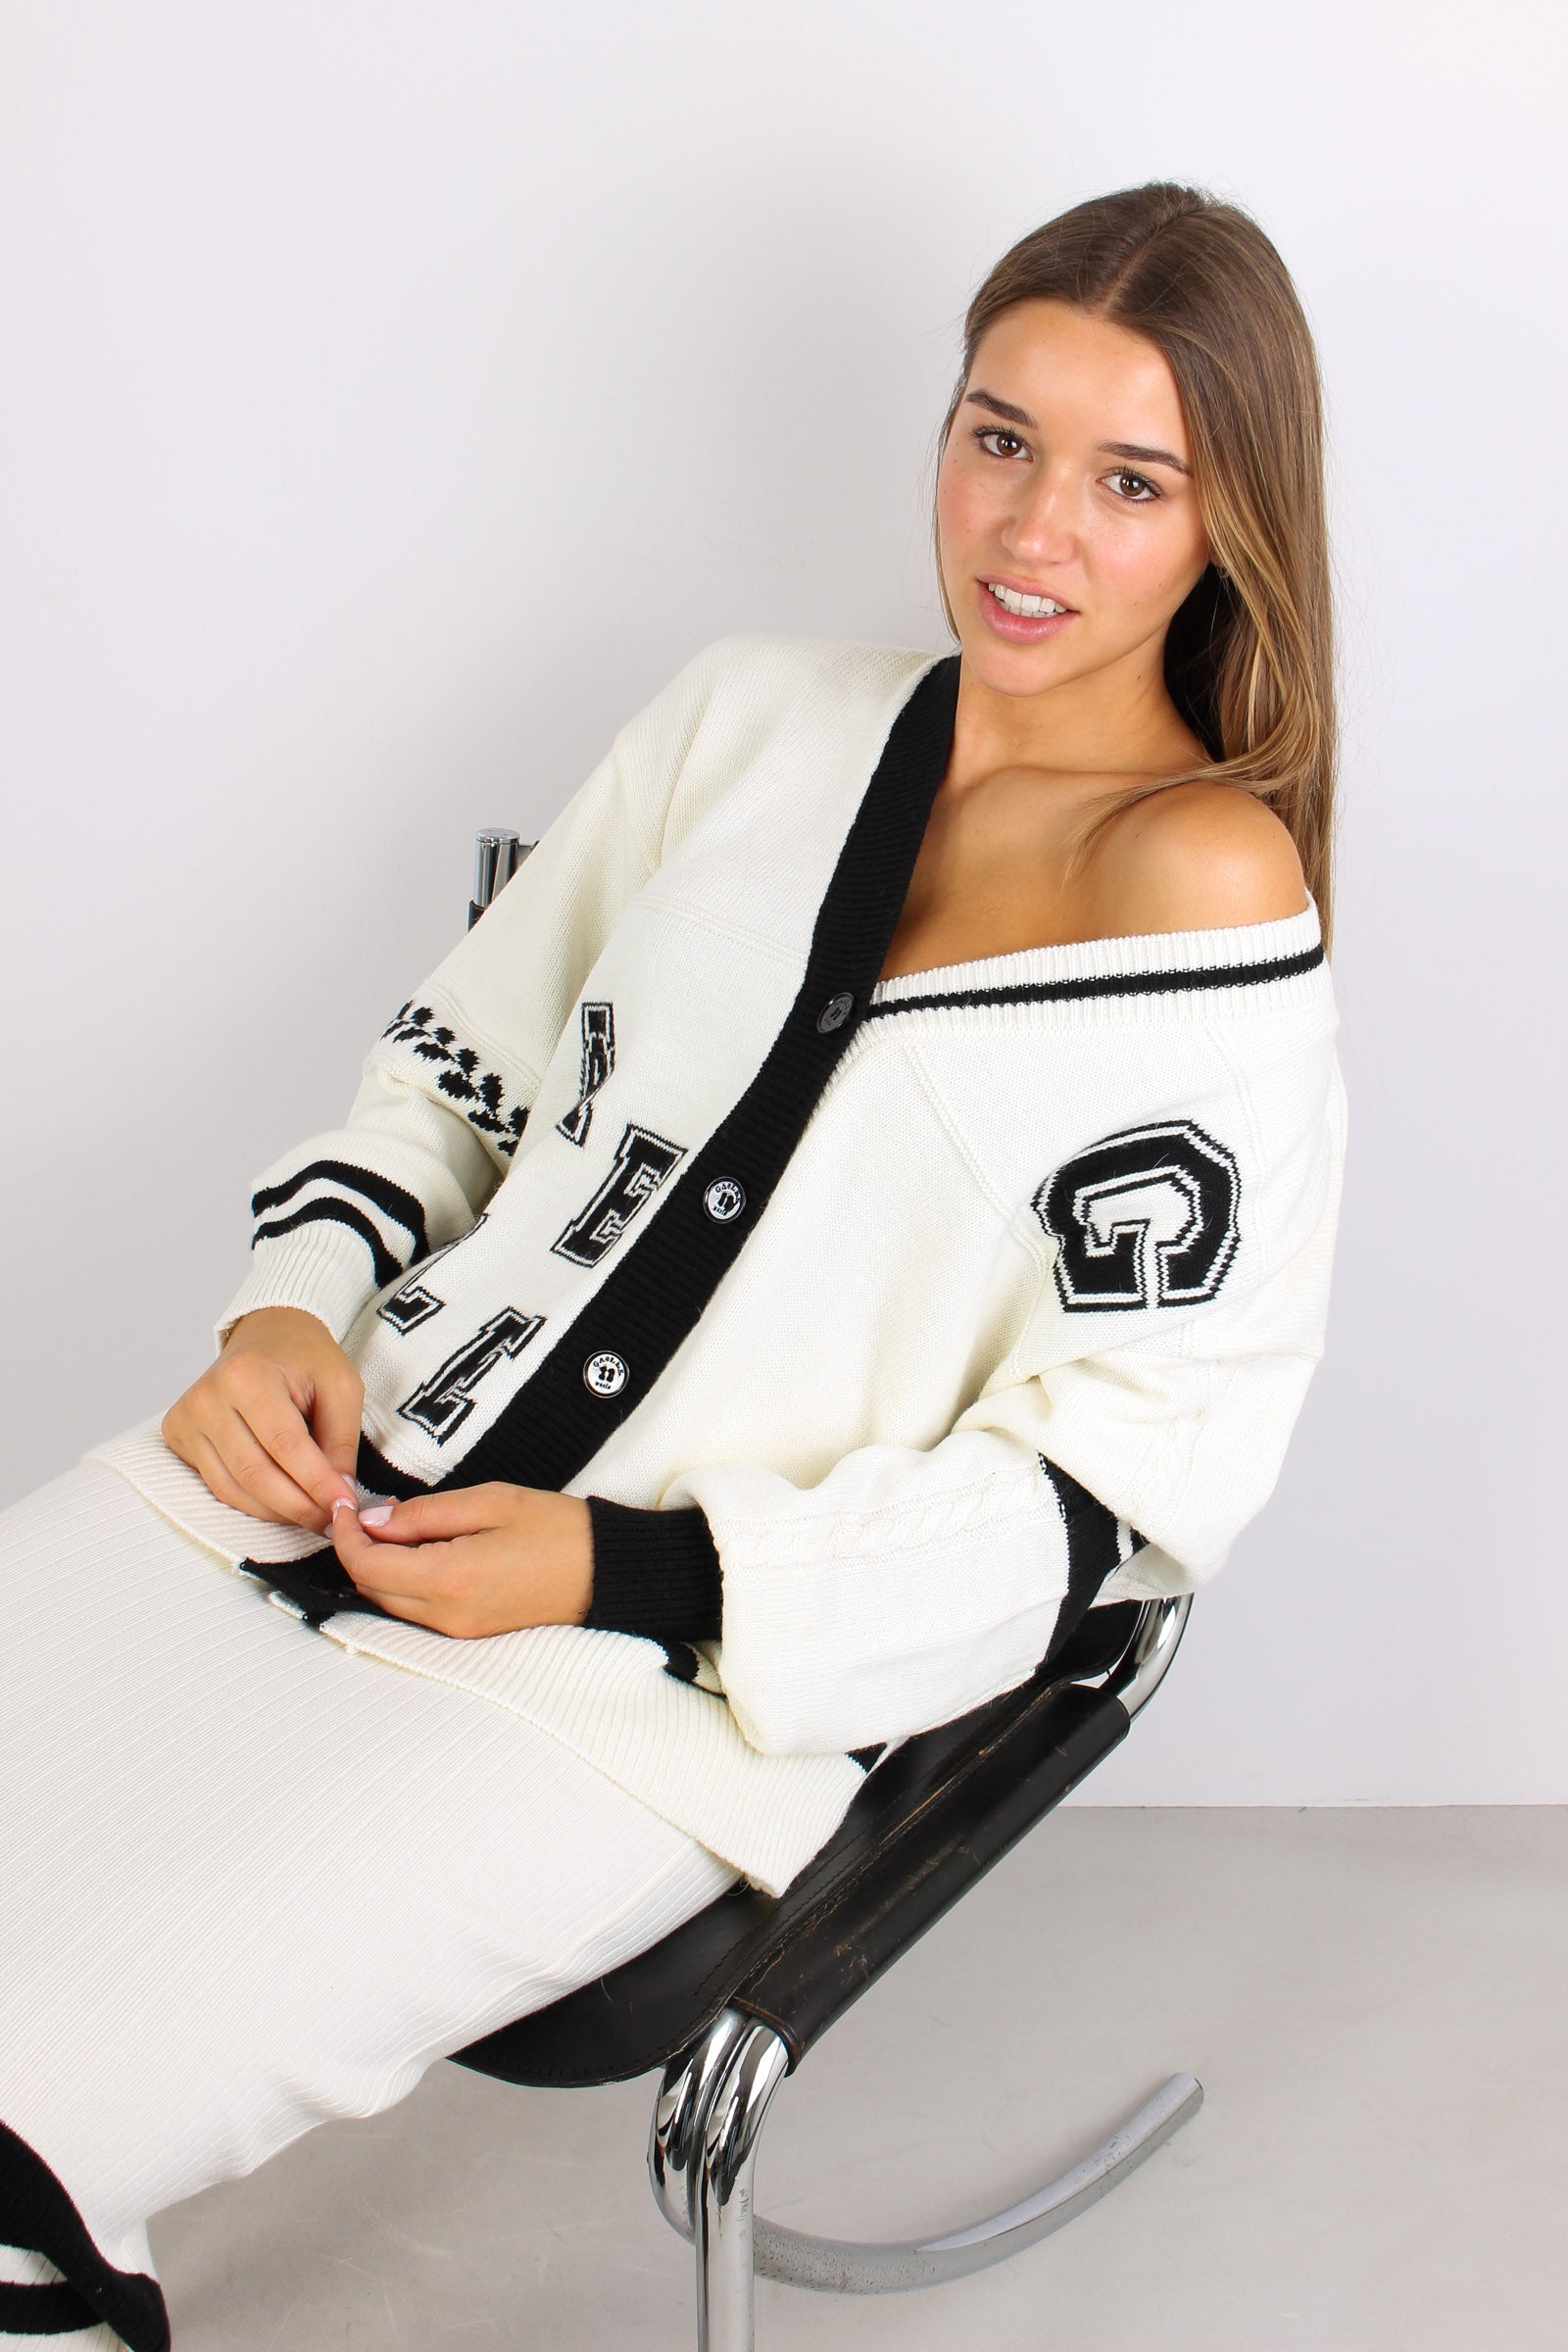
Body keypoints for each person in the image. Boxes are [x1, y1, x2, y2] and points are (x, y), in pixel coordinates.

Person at [0, 180, 1346, 2349]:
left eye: (1131, 480)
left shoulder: (1198, 882)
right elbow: (455, 1071)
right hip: (271, 1497)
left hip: (632, 1694)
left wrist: (627, 1572)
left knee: (27, 2139)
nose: (1031, 530)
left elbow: (1126, 1490)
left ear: (1231, 525)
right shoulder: (751, 718)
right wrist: (282, 1313)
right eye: (997, 437)